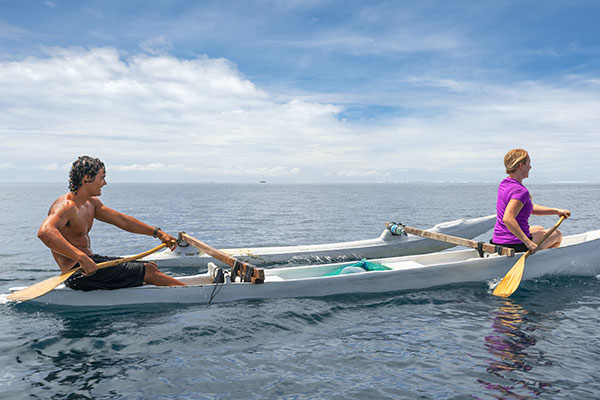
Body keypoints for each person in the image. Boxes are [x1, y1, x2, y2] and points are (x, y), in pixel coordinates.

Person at [37, 156, 197, 291]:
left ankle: (166, 290)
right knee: (148, 271)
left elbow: (122, 221)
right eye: (102, 177)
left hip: (91, 264)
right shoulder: (66, 206)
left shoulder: (91, 203)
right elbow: (45, 232)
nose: (105, 183)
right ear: (87, 179)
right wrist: (82, 258)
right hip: (79, 273)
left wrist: (158, 233)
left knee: (151, 266)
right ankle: (192, 295)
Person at [491, 149, 570, 254]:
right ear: (521, 165)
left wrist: (556, 211)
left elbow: (529, 207)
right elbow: (508, 219)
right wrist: (527, 242)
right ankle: (538, 262)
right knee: (557, 234)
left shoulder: (505, 184)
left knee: (539, 228)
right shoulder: (520, 191)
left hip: (498, 240)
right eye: (529, 163)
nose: (530, 167)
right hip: (515, 245)